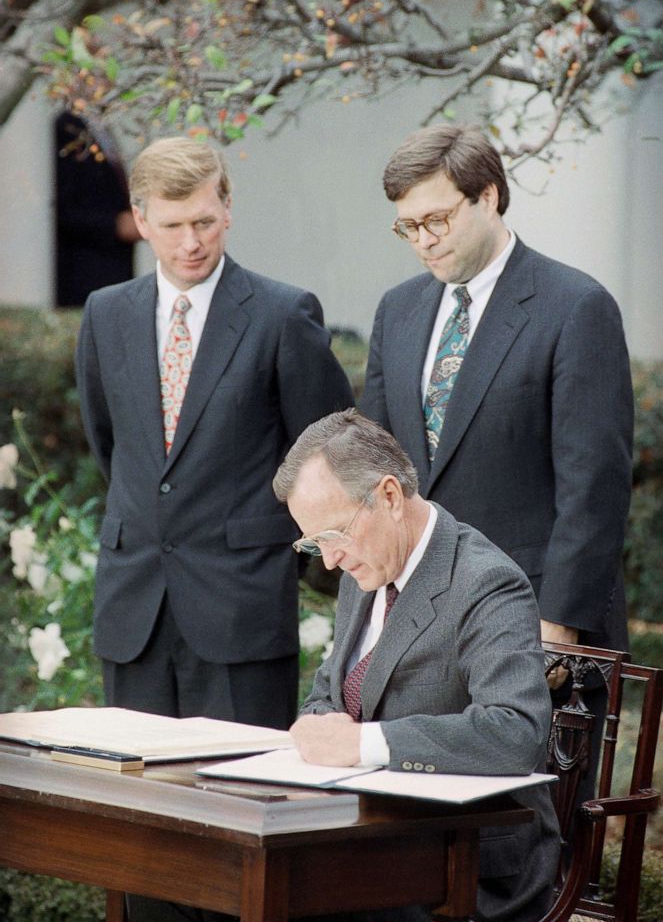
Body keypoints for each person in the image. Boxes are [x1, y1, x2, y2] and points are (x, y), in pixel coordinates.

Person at [75, 135, 354, 921]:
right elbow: (115, 446)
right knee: (143, 841)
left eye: (205, 220)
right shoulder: (106, 314)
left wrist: (296, 569)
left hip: (238, 610)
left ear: (227, 208)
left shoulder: (279, 312)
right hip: (134, 608)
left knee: (239, 837)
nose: (191, 241)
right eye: (171, 225)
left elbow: (324, 455)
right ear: (139, 219)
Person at [360, 124, 633, 795]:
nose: (423, 239)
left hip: (532, 629)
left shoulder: (574, 306)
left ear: (487, 197)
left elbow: (591, 486)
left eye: (436, 218)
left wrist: (555, 635)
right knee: (419, 850)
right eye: (407, 226)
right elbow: (376, 470)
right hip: (418, 626)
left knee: (535, 851)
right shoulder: (397, 311)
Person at [274, 409, 560, 922]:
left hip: (467, 865)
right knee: (187, 886)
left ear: (388, 496)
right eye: (314, 543)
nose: (330, 560)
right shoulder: (364, 569)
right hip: (370, 836)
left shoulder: (486, 581)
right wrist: (319, 726)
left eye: (333, 535)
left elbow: (517, 732)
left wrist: (362, 743)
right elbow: (329, 695)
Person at [55, 110, 140, 306]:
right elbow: (62, 206)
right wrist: (115, 225)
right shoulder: (68, 127)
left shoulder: (101, 125)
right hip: (85, 272)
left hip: (116, 267)